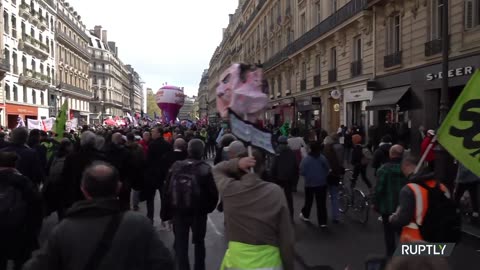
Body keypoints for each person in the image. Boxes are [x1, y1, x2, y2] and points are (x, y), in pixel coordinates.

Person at [23, 162, 174, 270]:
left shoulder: (64, 228)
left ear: (84, 190)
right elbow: (164, 263)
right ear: (118, 187)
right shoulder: (139, 223)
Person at [213, 150, 294, 270]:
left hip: (236, 263)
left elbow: (217, 169)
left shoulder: (229, 189)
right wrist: (288, 266)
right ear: (262, 167)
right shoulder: (275, 191)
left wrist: (237, 163)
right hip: (269, 263)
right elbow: (286, 237)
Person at [161, 139, 218, 270]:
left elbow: (167, 191)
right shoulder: (205, 168)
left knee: (181, 244)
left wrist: (166, 213)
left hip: (179, 211)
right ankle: (199, 267)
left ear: (188, 150)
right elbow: (213, 194)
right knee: (199, 243)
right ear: (202, 151)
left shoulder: (176, 166)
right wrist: (206, 209)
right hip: (198, 213)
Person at [389, 156, 458, 243]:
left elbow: (403, 219)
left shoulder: (409, 189)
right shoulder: (442, 187)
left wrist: (393, 219)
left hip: (416, 240)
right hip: (442, 238)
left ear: (406, 165)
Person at [0, 152, 43, 270]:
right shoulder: (24, 181)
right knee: (20, 262)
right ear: (15, 164)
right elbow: (37, 207)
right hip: (19, 231)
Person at [60, 131, 106, 214]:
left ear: (81, 142)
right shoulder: (101, 157)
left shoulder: (71, 157)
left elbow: (65, 177)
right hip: (96, 197)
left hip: (76, 195)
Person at [374, 145, 407, 257]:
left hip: (387, 206)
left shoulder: (383, 169)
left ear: (390, 154)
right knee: (404, 232)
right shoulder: (407, 169)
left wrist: (375, 204)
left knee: (389, 233)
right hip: (403, 206)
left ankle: (391, 256)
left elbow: (379, 189)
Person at [145, 127, 173, 223]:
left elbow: (148, 160)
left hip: (153, 175)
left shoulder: (152, 145)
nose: (151, 133)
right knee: (163, 197)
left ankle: (150, 217)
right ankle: (164, 217)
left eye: (153, 132)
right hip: (164, 175)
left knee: (150, 198)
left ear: (159, 134)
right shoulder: (168, 145)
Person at [299, 142, 330, 227]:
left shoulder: (306, 159)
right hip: (321, 183)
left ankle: (306, 215)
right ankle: (322, 222)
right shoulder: (322, 158)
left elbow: (301, 171)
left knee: (308, 201)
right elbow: (327, 168)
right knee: (321, 203)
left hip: (309, 183)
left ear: (310, 149)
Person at [43, 139, 74, 218]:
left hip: (52, 185)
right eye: (70, 145)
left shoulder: (54, 154)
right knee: (62, 208)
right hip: (63, 186)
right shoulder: (70, 157)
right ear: (67, 146)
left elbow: (47, 169)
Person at [271, 136, 298, 221]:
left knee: (276, 198)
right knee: (289, 198)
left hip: (278, 178)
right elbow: (295, 167)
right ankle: (291, 217)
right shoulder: (291, 152)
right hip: (289, 178)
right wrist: (295, 182)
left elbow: (273, 167)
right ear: (287, 143)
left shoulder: (277, 152)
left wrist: (272, 178)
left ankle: (278, 218)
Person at [105, 133, 133, 211]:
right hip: (123, 179)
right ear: (121, 140)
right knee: (124, 201)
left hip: (109, 179)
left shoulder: (105, 150)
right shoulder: (126, 152)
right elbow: (130, 166)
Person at [323, 135, 345, 224]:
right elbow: (341, 160)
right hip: (336, 172)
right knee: (335, 196)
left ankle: (323, 215)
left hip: (327, 173)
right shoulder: (341, 147)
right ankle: (336, 216)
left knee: (323, 196)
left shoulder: (326, 149)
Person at [126, 132, 146, 211]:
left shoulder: (124, 147)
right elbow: (143, 159)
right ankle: (135, 205)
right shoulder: (139, 147)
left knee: (127, 188)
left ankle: (126, 205)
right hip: (137, 170)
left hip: (128, 171)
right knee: (136, 189)